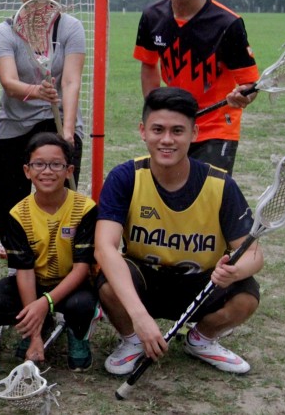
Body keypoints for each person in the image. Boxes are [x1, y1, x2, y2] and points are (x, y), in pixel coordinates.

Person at [95, 87, 263, 376]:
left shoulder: (220, 184)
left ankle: (202, 339)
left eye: (177, 131)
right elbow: (104, 247)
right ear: (142, 131)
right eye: (158, 129)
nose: (167, 140)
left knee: (247, 294)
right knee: (107, 281)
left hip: (202, 283)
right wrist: (139, 318)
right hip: (146, 282)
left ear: (194, 133)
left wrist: (235, 271)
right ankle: (133, 340)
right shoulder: (125, 177)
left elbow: (255, 255)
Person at [133, 0, 259, 174]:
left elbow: (250, 83)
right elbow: (149, 65)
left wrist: (243, 97)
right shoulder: (152, 16)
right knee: (169, 194)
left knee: (206, 198)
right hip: (173, 125)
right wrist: (154, 112)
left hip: (216, 127)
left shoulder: (228, 23)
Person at [0, 132, 98, 371]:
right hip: (34, 283)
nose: (47, 171)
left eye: (56, 164)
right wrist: (34, 335)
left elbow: (82, 268)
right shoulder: (17, 214)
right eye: (39, 164)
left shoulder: (86, 209)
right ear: (27, 171)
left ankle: (77, 333)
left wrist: (46, 302)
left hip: (72, 285)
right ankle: (37, 326)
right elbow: (24, 270)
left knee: (82, 305)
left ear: (69, 170)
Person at [0, 0, 86, 225]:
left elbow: (70, 81)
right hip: (15, 125)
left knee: (63, 197)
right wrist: (36, 91)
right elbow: (9, 83)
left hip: (57, 122)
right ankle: (16, 258)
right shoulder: (4, 32)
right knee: (10, 199)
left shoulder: (71, 28)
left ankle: (67, 252)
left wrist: (67, 132)